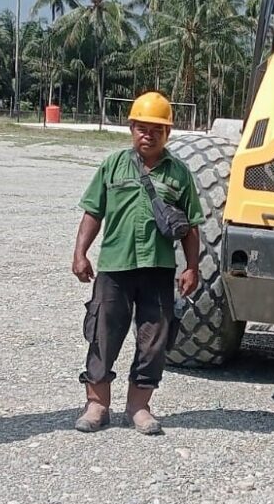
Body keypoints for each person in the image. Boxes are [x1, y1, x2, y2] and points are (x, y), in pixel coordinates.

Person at [71, 92, 204, 435]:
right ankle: (97, 405)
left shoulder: (179, 174)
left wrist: (192, 267)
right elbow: (93, 212)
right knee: (102, 333)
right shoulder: (113, 165)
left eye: (156, 129)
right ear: (131, 128)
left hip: (158, 270)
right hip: (115, 266)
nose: (148, 134)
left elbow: (190, 227)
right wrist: (80, 252)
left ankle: (139, 407)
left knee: (155, 340)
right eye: (142, 127)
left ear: (167, 133)